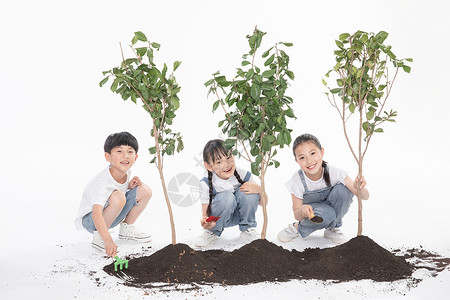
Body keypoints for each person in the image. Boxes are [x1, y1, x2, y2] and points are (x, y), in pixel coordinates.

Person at [278, 133, 369, 244]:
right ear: (296, 161)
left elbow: (364, 197)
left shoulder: (334, 172)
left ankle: (332, 228)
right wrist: (302, 211)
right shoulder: (297, 180)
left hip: (330, 208)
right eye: (302, 157)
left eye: (312, 153)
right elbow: (297, 214)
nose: (309, 161)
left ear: (322, 152)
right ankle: (298, 227)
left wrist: (359, 188)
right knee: (328, 213)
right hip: (314, 212)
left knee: (344, 191)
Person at [75, 132, 152, 257]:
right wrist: (108, 240)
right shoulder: (102, 181)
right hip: (92, 221)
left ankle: (126, 228)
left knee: (144, 190)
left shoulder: (126, 173)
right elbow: (96, 212)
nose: (125, 156)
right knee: (118, 197)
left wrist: (129, 187)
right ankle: (99, 237)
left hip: (110, 216)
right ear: (108, 157)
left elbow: (115, 189)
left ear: (136, 157)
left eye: (130, 152)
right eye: (119, 151)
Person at [194, 139, 262, 247]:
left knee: (249, 192)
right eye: (219, 162)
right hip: (218, 220)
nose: (227, 165)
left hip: (240, 215)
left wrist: (260, 189)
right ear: (209, 166)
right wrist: (206, 222)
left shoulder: (244, 175)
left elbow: (262, 203)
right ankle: (211, 233)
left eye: (229, 157)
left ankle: (248, 229)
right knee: (227, 197)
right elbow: (205, 215)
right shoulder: (206, 183)